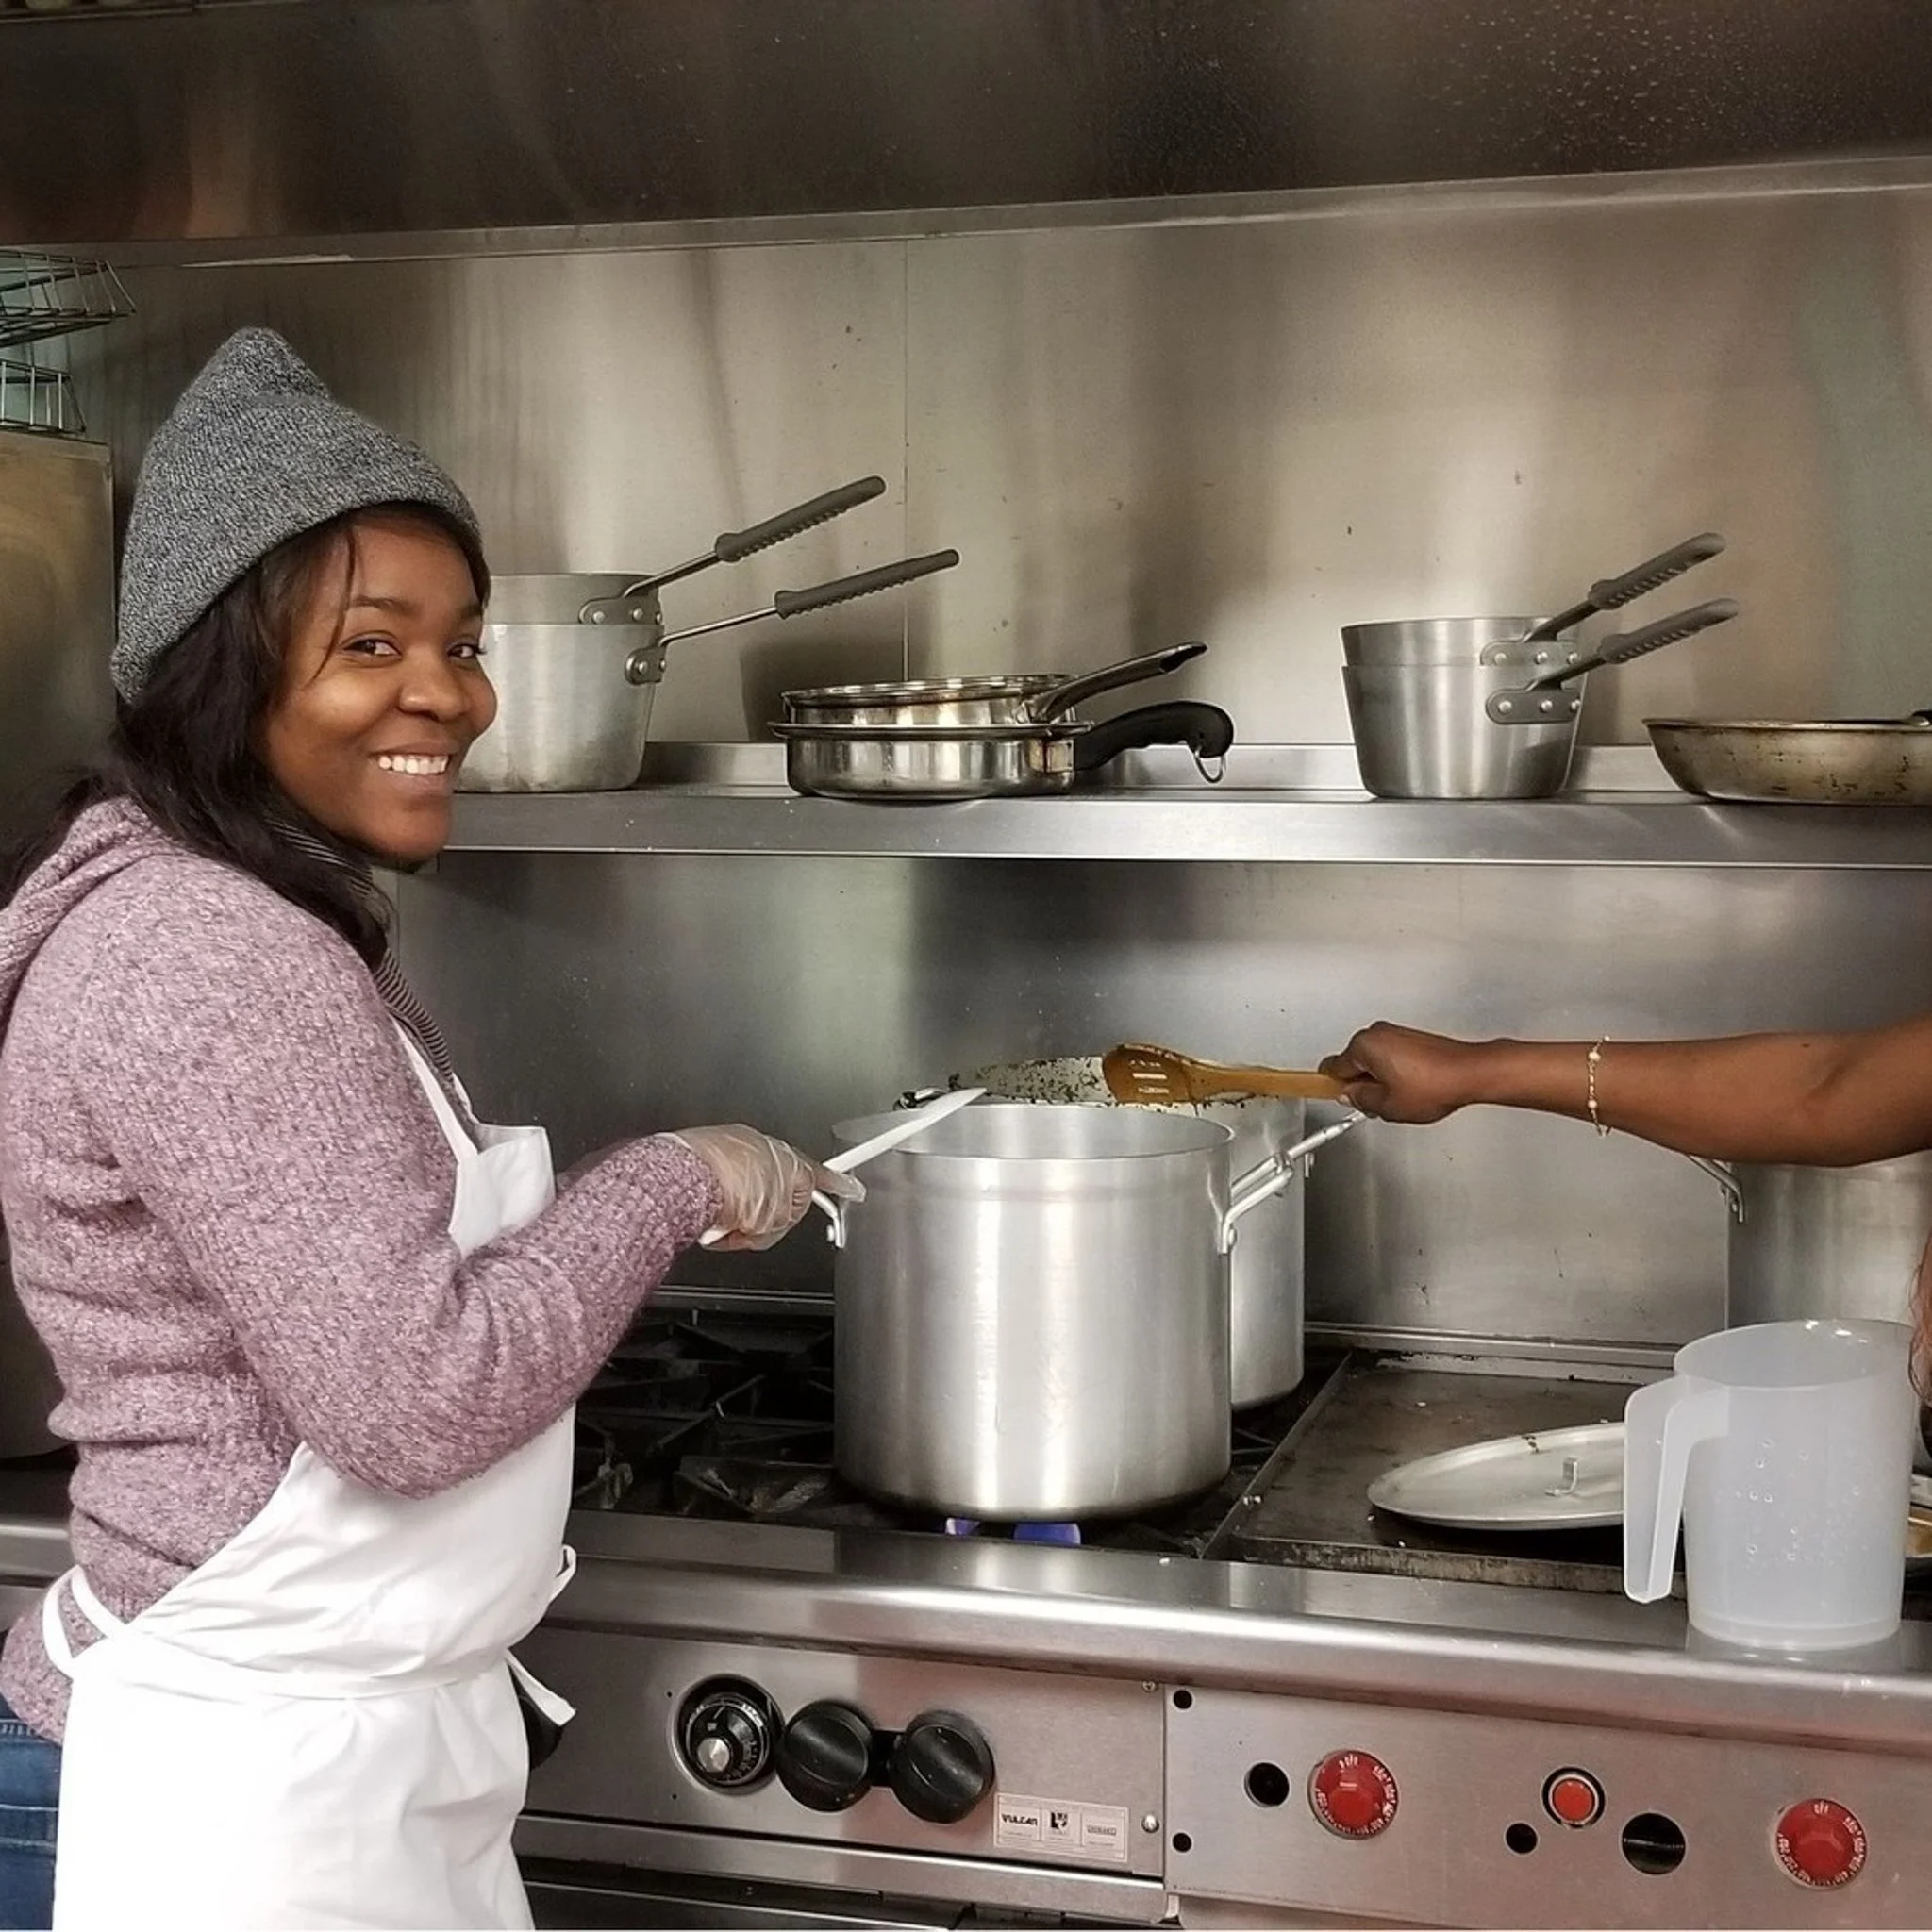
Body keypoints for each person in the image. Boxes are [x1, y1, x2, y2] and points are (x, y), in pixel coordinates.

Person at [0, 327, 857, 1932]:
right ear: (219, 669)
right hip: (216, 1790)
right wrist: (672, 1180)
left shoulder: (254, 918)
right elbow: (415, 1398)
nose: (447, 697)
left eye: (462, 643)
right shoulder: (206, 951)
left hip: (316, 1755)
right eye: (370, 645)